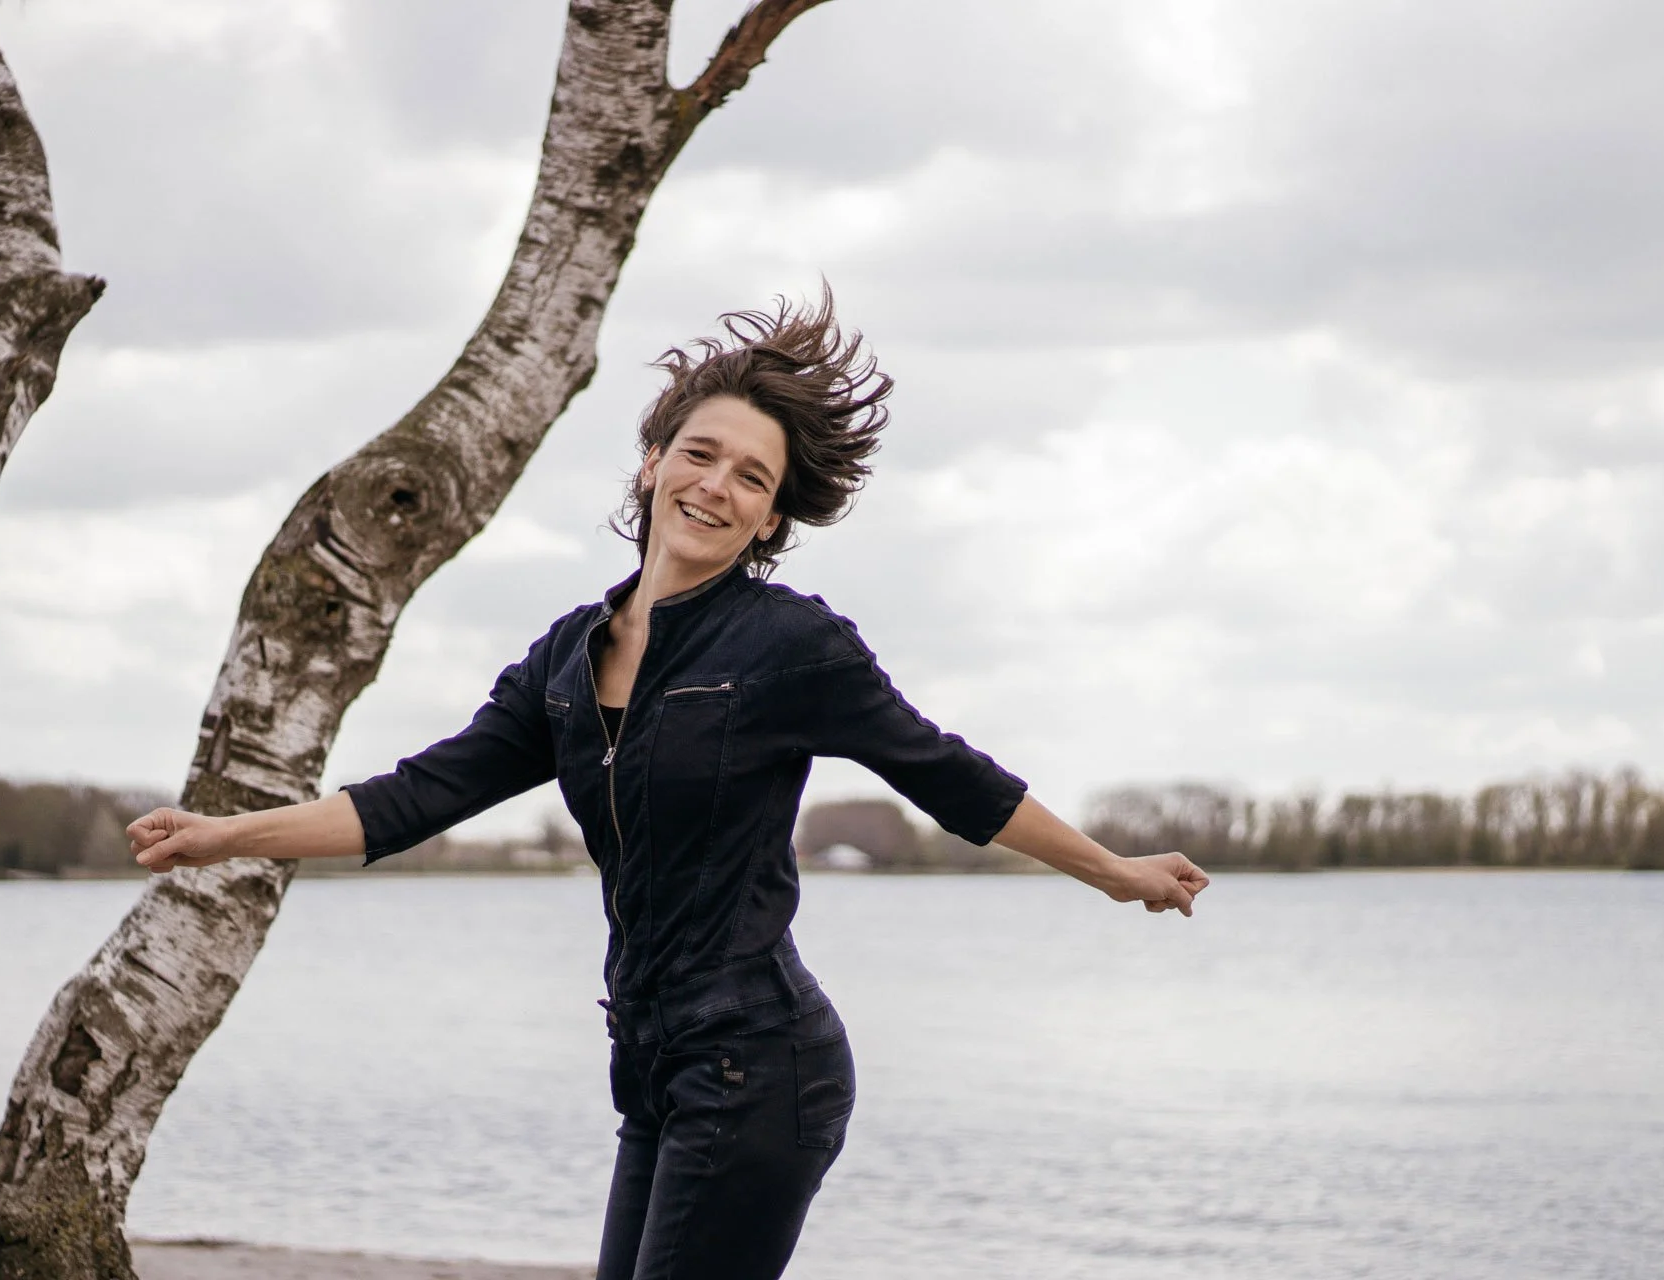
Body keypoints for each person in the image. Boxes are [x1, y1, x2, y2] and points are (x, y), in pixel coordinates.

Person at [128, 292, 1210, 1280]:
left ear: (772, 520)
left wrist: (1112, 870)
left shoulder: (792, 645)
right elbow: (411, 798)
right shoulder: (564, 660)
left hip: (760, 1065)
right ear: (651, 462)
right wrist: (229, 834)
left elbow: (949, 776)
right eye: (701, 453)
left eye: (752, 478)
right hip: (648, 1068)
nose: (717, 485)